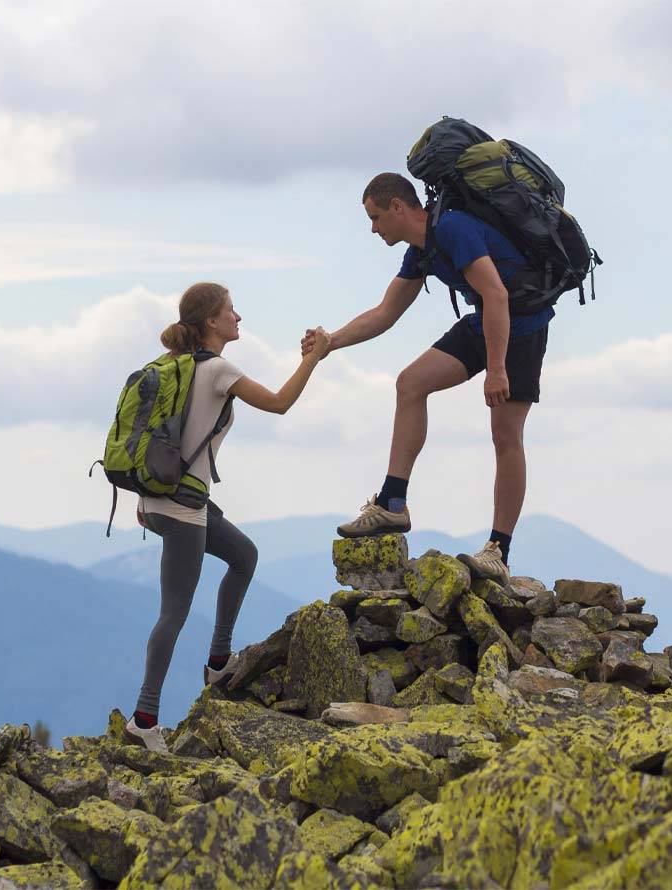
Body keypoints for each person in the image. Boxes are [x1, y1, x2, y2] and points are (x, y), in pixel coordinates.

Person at [306, 172, 552, 583]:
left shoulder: (453, 229)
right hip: (484, 323)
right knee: (410, 383)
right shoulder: (422, 250)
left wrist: (496, 370)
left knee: (505, 435)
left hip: (522, 328)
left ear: (399, 208)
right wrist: (331, 341)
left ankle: (498, 550)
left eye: (376, 217)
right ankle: (392, 503)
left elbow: (497, 295)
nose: (373, 228)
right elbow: (385, 314)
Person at [124, 282, 331, 753]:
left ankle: (218, 661)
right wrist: (313, 358)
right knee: (174, 613)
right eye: (231, 311)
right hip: (181, 511)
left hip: (161, 501)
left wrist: (145, 496)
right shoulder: (217, 369)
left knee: (244, 555)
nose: (239, 317)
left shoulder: (174, 367)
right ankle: (144, 718)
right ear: (211, 322)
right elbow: (279, 402)